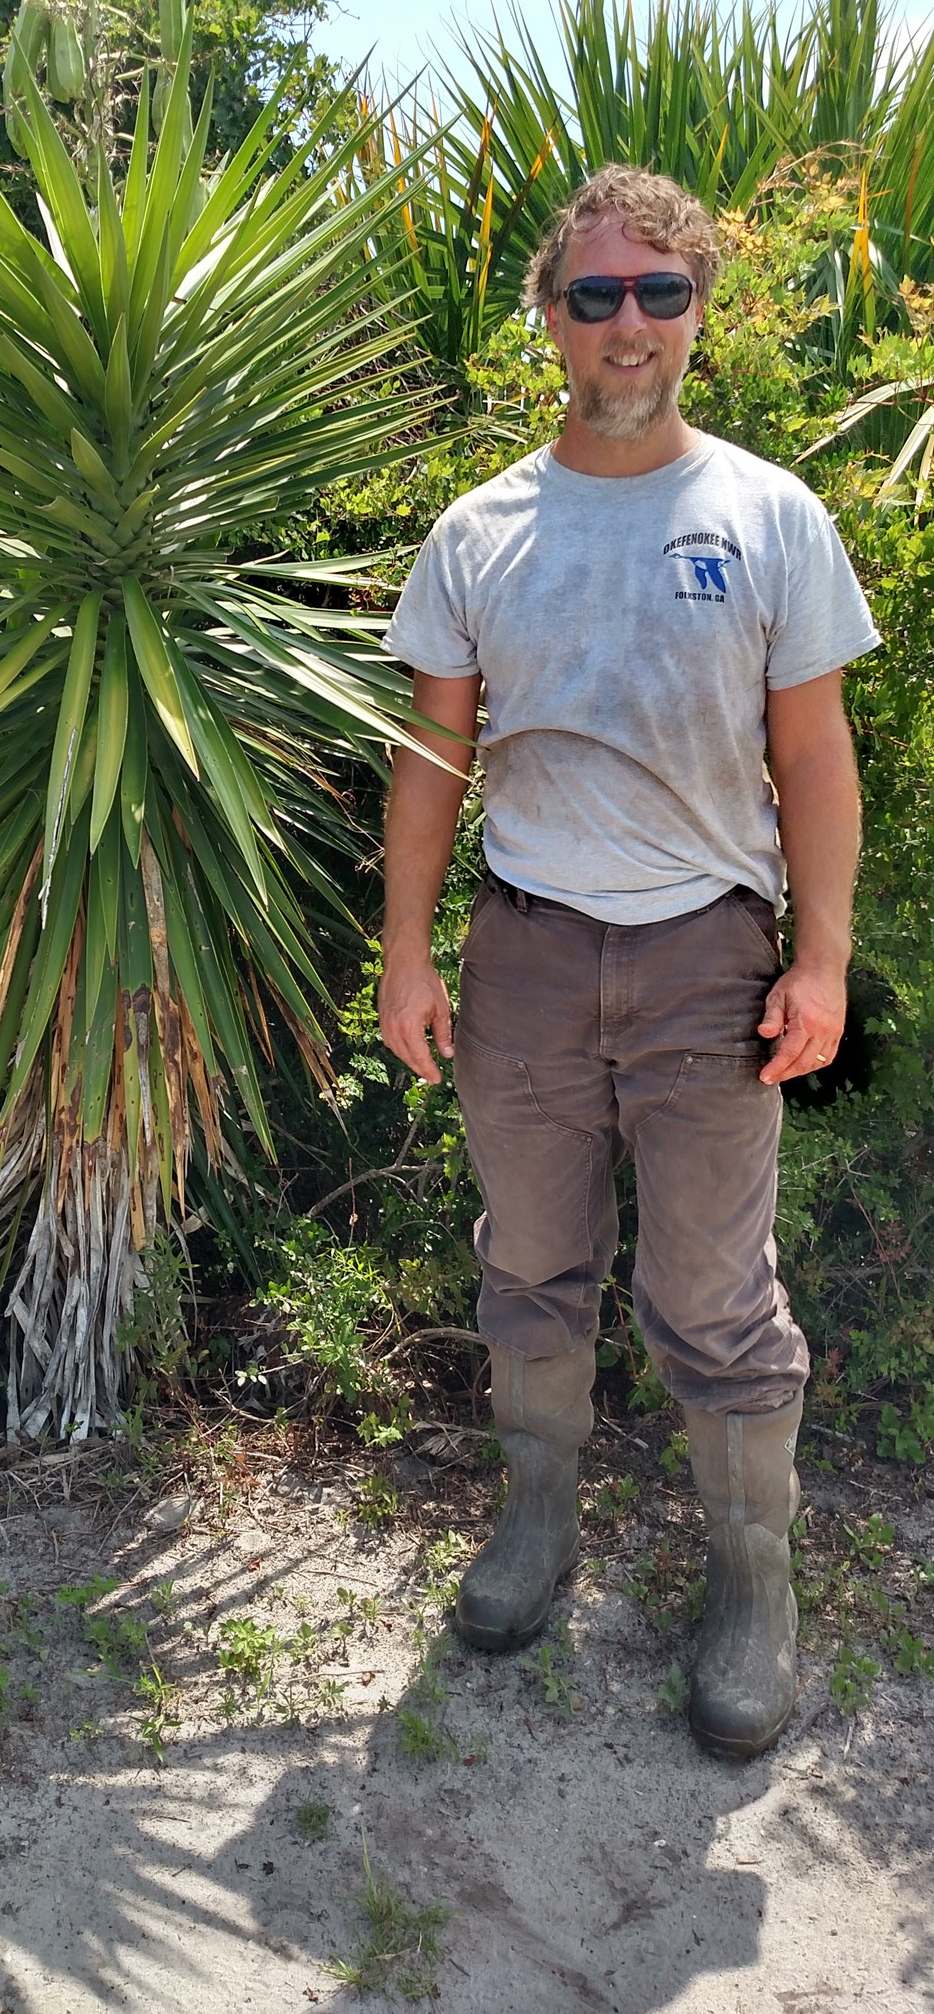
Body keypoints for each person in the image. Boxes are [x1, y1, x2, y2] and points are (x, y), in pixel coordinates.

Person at [377, 166, 880, 1760]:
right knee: (529, 1265)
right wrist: (404, 952)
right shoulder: (483, 532)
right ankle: (538, 1523)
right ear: (552, 317)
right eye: (596, 296)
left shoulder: (766, 515)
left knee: (714, 1297)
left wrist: (824, 959)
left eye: (659, 293)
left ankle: (753, 1587)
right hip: (524, 952)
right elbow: (430, 764)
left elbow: (813, 758)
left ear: (700, 312)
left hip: (706, 967)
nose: (628, 325)